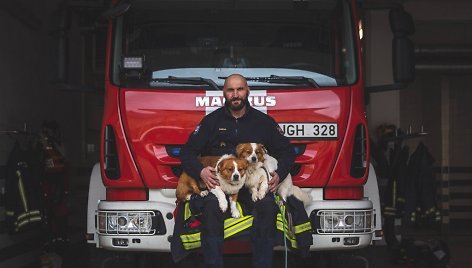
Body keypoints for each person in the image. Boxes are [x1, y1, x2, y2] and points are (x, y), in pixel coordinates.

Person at [179, 74, 296, 267]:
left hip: (252, 185)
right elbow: (187, 153)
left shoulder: (263, 122)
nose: (235, 94)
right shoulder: (211, 122)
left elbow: (287, 152)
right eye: (230, 90)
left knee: (267, 207)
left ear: (247, 91)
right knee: (210, 207)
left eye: (240, 89)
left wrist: (279, 174)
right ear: (224, 93)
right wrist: (201, 172)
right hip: (221, 185)